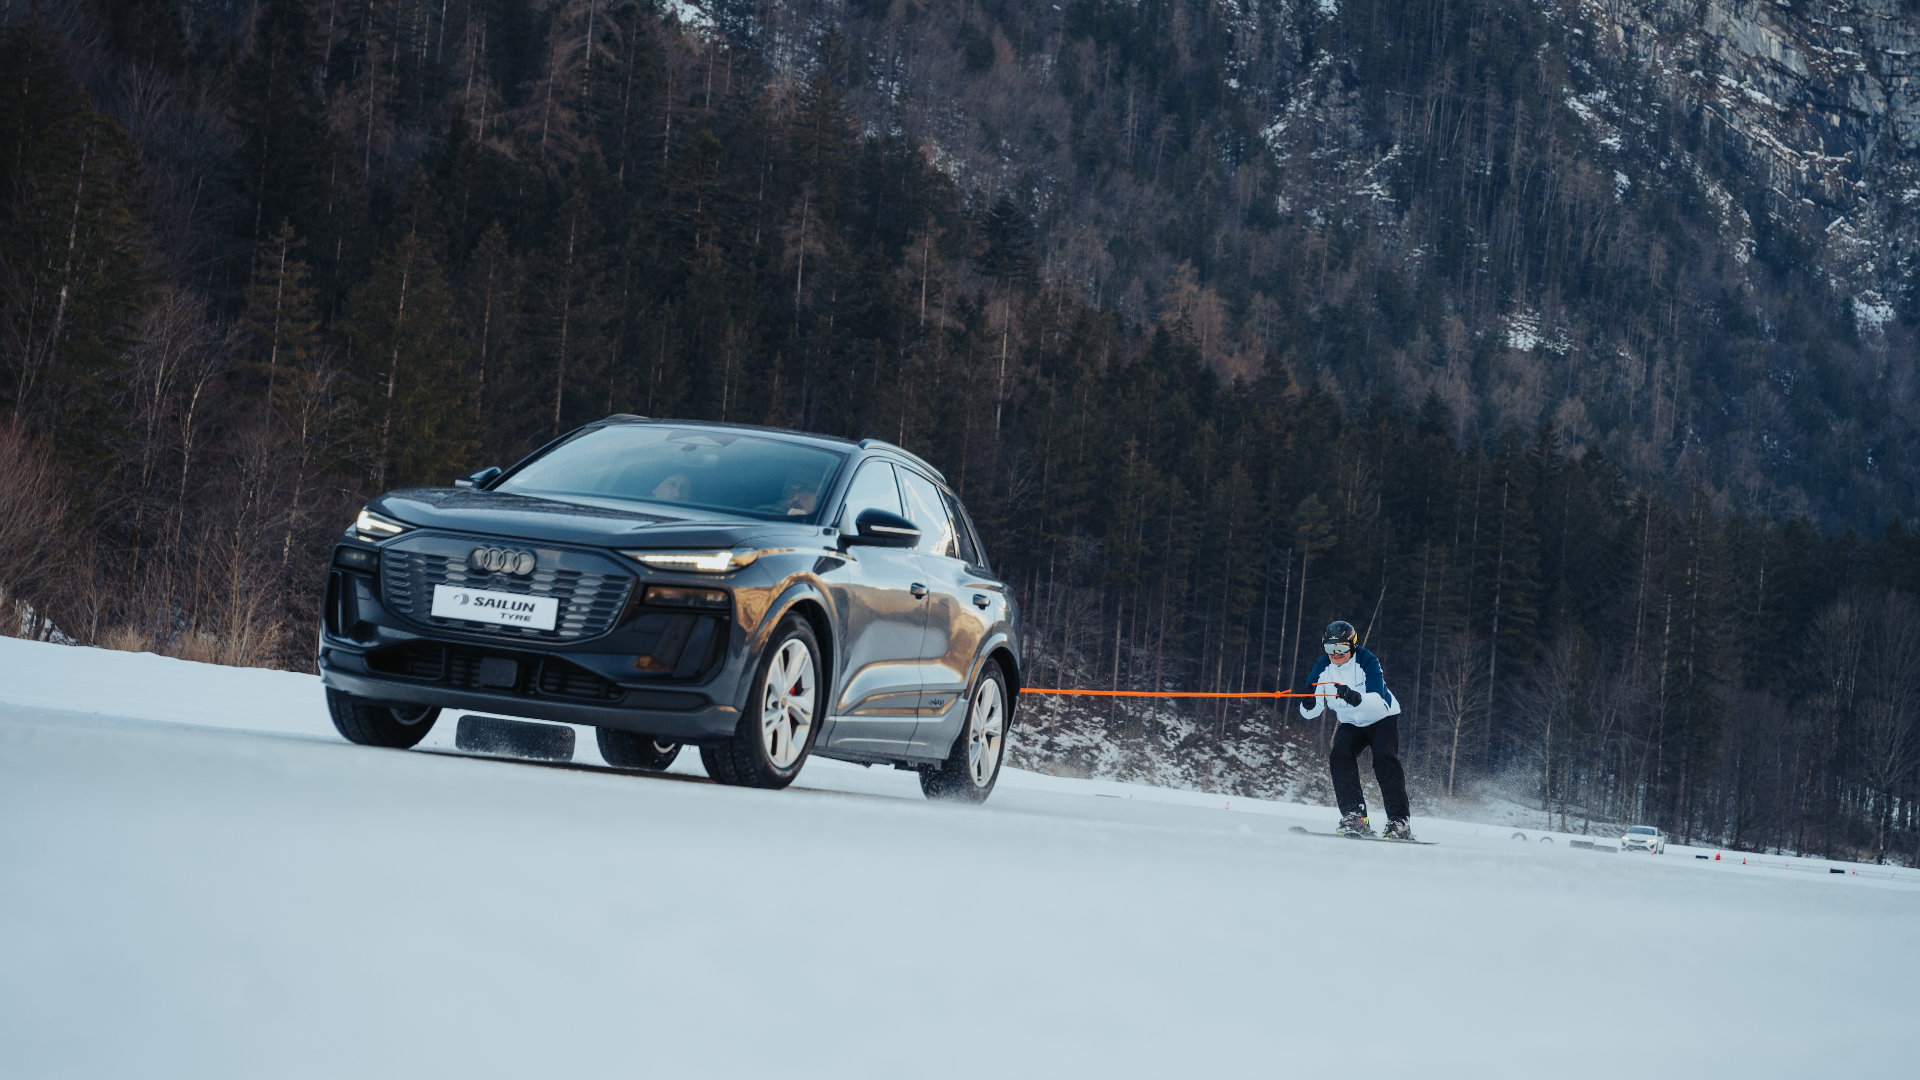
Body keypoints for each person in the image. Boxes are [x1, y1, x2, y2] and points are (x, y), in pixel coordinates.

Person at [1297, 620, 1413, 840]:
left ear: (1352, 645)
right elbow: (1311, 711)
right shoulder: (1322, 668)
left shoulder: (1367, 661)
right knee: (1340, 754)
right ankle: (1355, 816)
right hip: (1352, 722)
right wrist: (1309, 704)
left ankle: (1399, 822)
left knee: (1384, 759)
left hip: (1382, 717)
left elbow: (1379, 700)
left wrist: (1356, 698)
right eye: (1330, 648)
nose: (1335, 654)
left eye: (1340, 648)